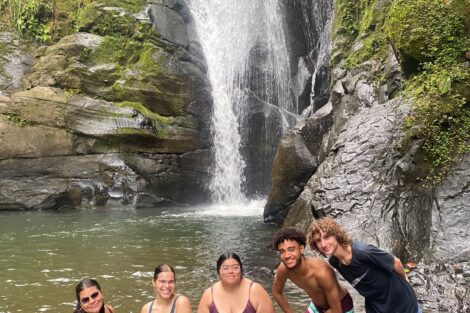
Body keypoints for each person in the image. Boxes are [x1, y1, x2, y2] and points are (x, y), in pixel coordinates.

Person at [308, 217, 421, 313]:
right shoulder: (334, 262)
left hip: (404, 305)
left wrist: (405, 281)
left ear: (336, 235)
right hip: (377, 307)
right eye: (318, 241)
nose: (323, 244)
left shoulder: (363, 252)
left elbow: (396, 263)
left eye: (327, 237)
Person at [272, 227, 354, 313]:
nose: (286, 256)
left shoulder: (322, 272)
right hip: (317, 306)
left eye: (291, 250)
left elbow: (336, 310)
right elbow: (277, 292)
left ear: (301, 249)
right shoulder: (284, 269)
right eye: (282, 251)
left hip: (341, 306)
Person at [197, 252, 275, 313]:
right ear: (219, 271)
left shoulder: (255, 291)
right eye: (225, 268)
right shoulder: (209, 295)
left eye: (235, 267)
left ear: (240, 270)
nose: (230, 271)